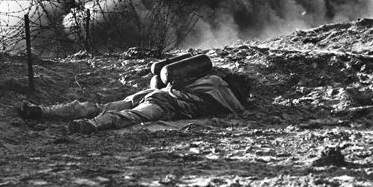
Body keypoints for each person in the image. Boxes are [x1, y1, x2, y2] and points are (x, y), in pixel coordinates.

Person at [17, 73, 251, 134]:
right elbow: (239, 107)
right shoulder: (223, 94)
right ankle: (92, 125)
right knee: (131, 118)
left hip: (153, 92)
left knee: (99, 106)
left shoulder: (206, 80)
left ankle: (42, 111)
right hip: (167, 105)